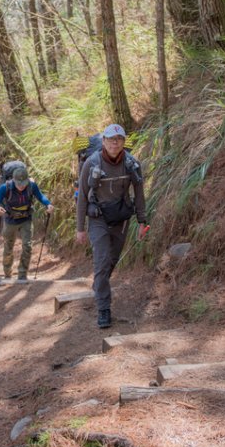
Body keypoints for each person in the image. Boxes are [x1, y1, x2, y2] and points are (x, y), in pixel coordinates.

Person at [76, 124, 148, 328]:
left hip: (121, 218)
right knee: (102, 261)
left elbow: (139, 194)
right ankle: (104, 309)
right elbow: (82, 197)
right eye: (110, 139)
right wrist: (80, 228)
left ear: (124, 142)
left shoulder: (132, 164)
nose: (114, 143)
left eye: (119, 139)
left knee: (111, 261)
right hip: (98, 218)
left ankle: (99, 285)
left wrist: (142, 221)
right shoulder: (91, 163)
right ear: (104, 141)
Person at [0, 166, 53, 284]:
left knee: (27, 246)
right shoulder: (5, 187)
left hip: (26, 219)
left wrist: (48, 204)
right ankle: (7, 273)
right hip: (10, 220)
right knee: (8, 247)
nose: (21, 186)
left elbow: (40, 196)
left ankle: (22, 274)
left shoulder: (32, 186)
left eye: (23, 183)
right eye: (19, 184)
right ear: (13, 180)